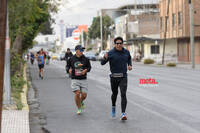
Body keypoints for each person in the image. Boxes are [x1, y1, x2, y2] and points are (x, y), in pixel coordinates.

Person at [101, 37, 132, 120]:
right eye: (117, 43)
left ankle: (123, 113)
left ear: (122, 44)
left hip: (123, 77)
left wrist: (130, 65)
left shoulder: (126, 52)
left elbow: (129, 58)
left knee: (123, 94)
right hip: (114, 77)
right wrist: (104, 57)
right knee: (115, 94)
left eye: (120, 43)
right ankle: (113, 106)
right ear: (115, 44)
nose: (119, 45)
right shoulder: (110, 53)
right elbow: (102, 63)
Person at [68, 45, 91, 115]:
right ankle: (79, 108)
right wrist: (69, 69)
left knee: (84, 95)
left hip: (83, 79)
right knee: (77, 93)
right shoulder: (71, 59)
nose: (82, 52)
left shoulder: (86, 59)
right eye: (81, 50)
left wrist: (86, 70)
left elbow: (89, 67)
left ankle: (81, 101)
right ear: (76, 51)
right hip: (75, 79)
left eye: (82, 50)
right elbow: (68, 66)